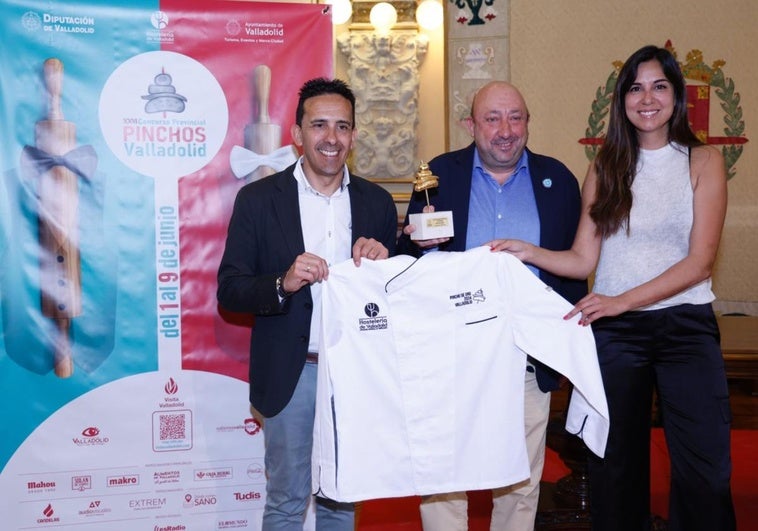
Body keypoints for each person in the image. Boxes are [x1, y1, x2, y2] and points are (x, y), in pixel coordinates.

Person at [490, 45, 736, 531]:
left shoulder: (704, 161)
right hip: (617, 333)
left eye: (659, 86)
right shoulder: (604, 168)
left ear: (676, 97)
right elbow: (584, 258)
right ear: (621, 99)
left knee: (705, 468)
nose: (647, 98)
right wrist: (528, 250)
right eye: (636, 87)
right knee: (614, 467)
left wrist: (621, 299)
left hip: (685, 325)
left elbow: (699, 261)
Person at [397, 80, 587, 531]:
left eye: (515, 117)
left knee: (520, 481)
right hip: (450, 352)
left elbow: (574, 268)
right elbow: (407, 260)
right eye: (492, 118)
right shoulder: (439, 174)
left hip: (526, 354)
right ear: (470, 124)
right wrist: (415, 244)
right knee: (443, 476)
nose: (505, 130)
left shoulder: (558, 180)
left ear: (527, 122)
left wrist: (567, 347)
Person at [217, 77, 398, 530]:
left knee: (342, 499)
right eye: (319, 125)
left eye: (342, 126)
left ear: (354, 136)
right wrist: (283, 281)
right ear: (297, 134)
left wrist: (384, 266)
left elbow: (396, 298)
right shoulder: (258, 200)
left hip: (356, 373)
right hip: (292, 373)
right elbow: (231, 289)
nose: (331, 138)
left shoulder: (377, 203)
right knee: (286, 500)